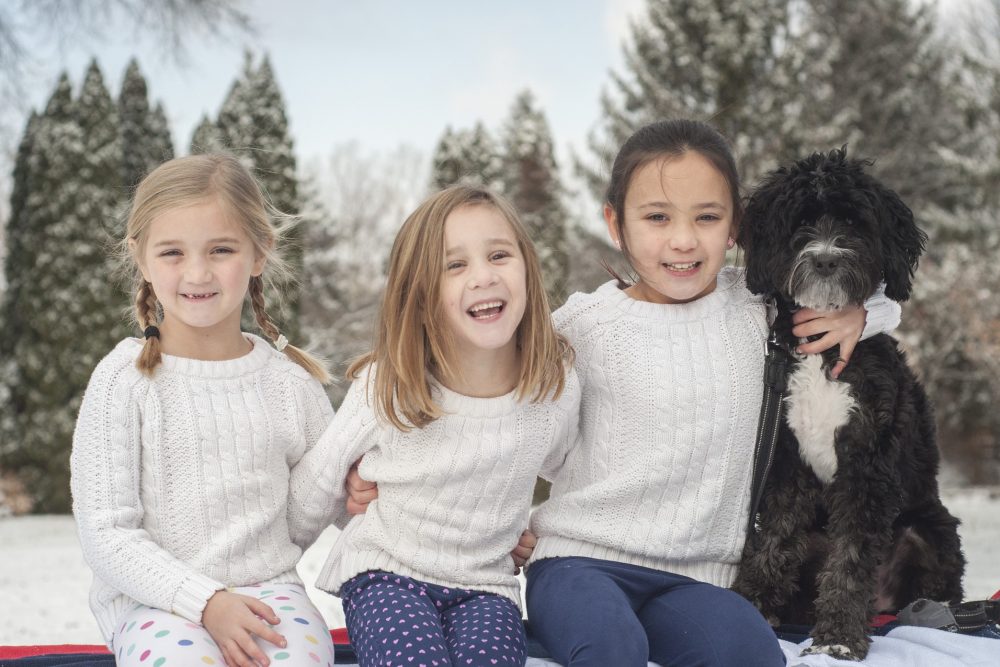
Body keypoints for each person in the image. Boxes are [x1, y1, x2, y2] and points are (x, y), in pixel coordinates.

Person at [521, 119, 902, 666]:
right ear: (615, 224)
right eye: (657, 217)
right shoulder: (580, 327)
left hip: (700, 578)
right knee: (611, 647)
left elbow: (865, 290)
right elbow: (509, 425)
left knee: (750, 654)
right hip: (581, 560)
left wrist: (862, 316)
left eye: (706, 217)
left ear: (735, 228)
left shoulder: (758, 308)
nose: (683, 240)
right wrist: (505, 521)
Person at [286, 185, 580, 667]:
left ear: (527, 267)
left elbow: (573, 471)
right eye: (454, 265)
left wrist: (542, 535)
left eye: (499, 255)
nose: (483, 276)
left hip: (486, 586)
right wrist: (266, 570)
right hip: (387, 572)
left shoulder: (554, 388)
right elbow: (318, 480)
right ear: (420, 295)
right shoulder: (390, 386)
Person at [71, 154, 337, 667]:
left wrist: (363, 490)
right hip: (155, 602)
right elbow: (106, 533)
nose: (197, 272)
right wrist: (207, 602)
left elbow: (330, 496)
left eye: (221, 249)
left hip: (271, 593)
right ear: (141, 258)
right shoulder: (124, 381)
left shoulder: (289, 384)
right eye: (172, 252)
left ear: (260, 251)